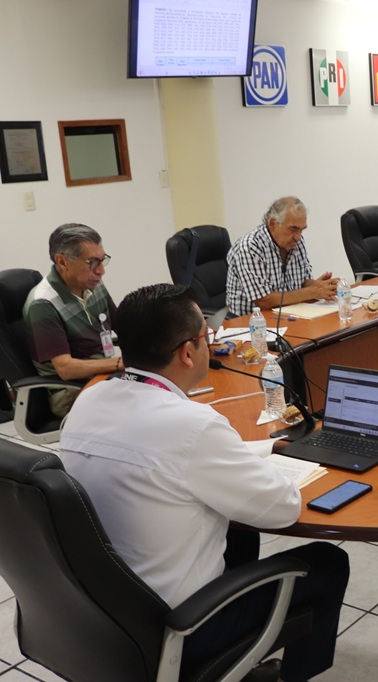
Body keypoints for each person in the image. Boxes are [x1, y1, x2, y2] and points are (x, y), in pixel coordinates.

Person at [60, 283, 349, 682]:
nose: (210, 344)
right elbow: (283, 508)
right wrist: (283, 468)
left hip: (104, 613)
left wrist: (269, 449)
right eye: (206, 336)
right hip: (178, 626)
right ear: (187, 352)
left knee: (239, 534)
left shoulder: (90, 401)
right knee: (328, 562)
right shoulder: (192, 426)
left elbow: (183, 458)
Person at [22, 224, 120, 417]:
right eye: (92, 262)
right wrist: (119, 364)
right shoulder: (43, 303)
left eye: (102, 260)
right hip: (70, 391)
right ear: (62, 261)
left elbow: (125, 327)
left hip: (101, 377)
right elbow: (66, 369)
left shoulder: (93, 285)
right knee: (143, 405)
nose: (101, 271)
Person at [226, 196, 340, 318]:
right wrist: (312, 291)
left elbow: (301, 283)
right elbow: (263, 301)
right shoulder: (250, 247)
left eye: (302, 230)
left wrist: (320, 286)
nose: (298, 237)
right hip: (251, 324)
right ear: (273, 224)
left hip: (288, 315)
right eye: (293, 229)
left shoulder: (296, 242)